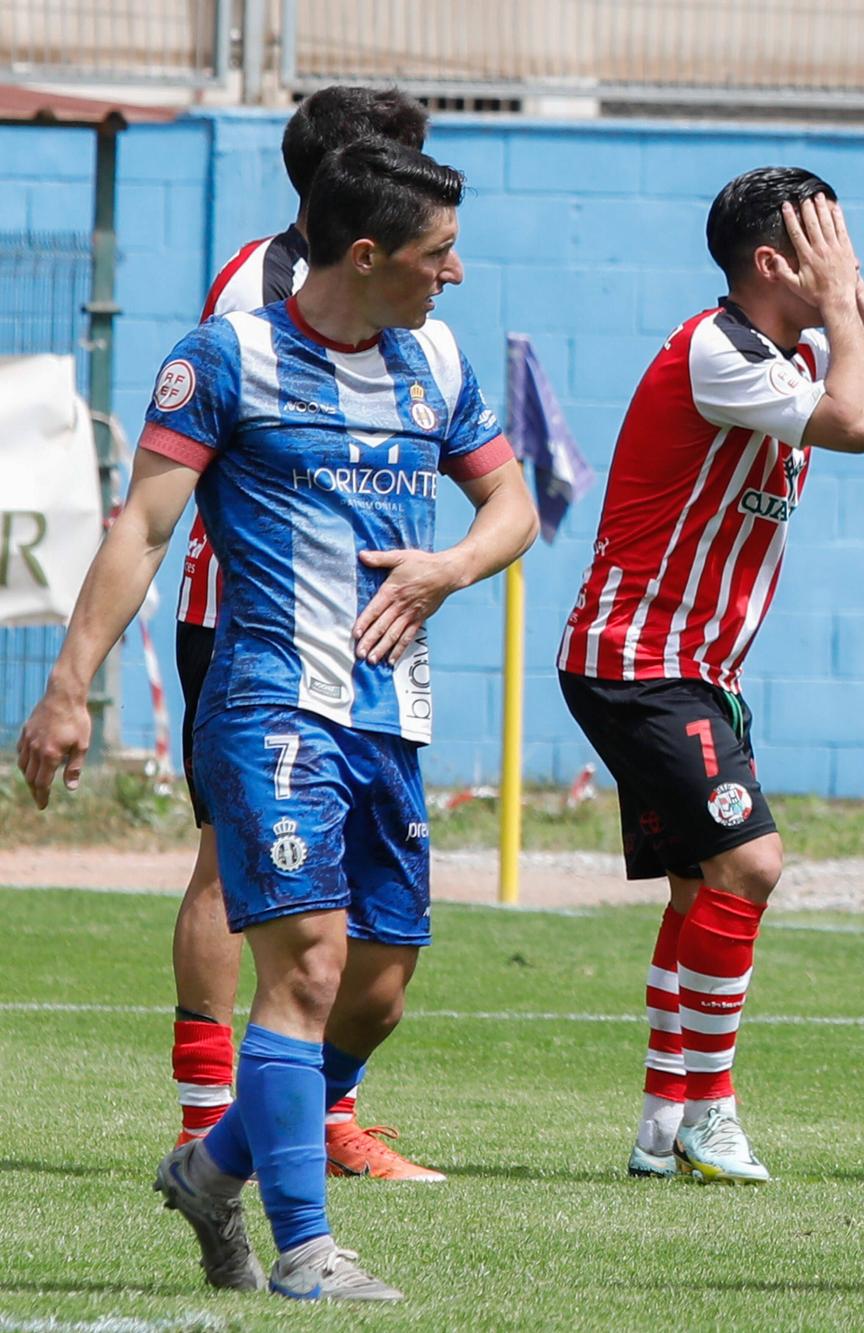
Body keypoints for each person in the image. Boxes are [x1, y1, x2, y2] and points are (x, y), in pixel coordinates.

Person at [17, 138, 537, 1301]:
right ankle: (307, 1248)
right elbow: (143, 531)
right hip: (269, 703)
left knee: (380, 980)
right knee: (305, 965)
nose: (454, 274)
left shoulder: (433, 361)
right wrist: (68, 687)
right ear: (364, 254)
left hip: (387, 715)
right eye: (437, 253)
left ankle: (211, 1168)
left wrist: (448, 567)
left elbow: (512, 506)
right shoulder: (225, 360)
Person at [557, 167, 864, 1186]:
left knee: (699, 882)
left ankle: (659, 1117)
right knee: (751, 862)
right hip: (640, 661)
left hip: (692, 669)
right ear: (772, 263)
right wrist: (835, 306)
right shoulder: (717, 352)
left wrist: (847, 295)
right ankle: (711, 1112)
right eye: (824, 245)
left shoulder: (791, 346)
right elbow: (861, 425)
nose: (842, 259)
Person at [172, 85, 446, 1184]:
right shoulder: (262, 288)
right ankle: (210, 1111)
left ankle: (287, 1118)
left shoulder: (415, 327)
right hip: (244, 611)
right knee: (228, 868)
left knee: (362, 934)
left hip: (359, 630)